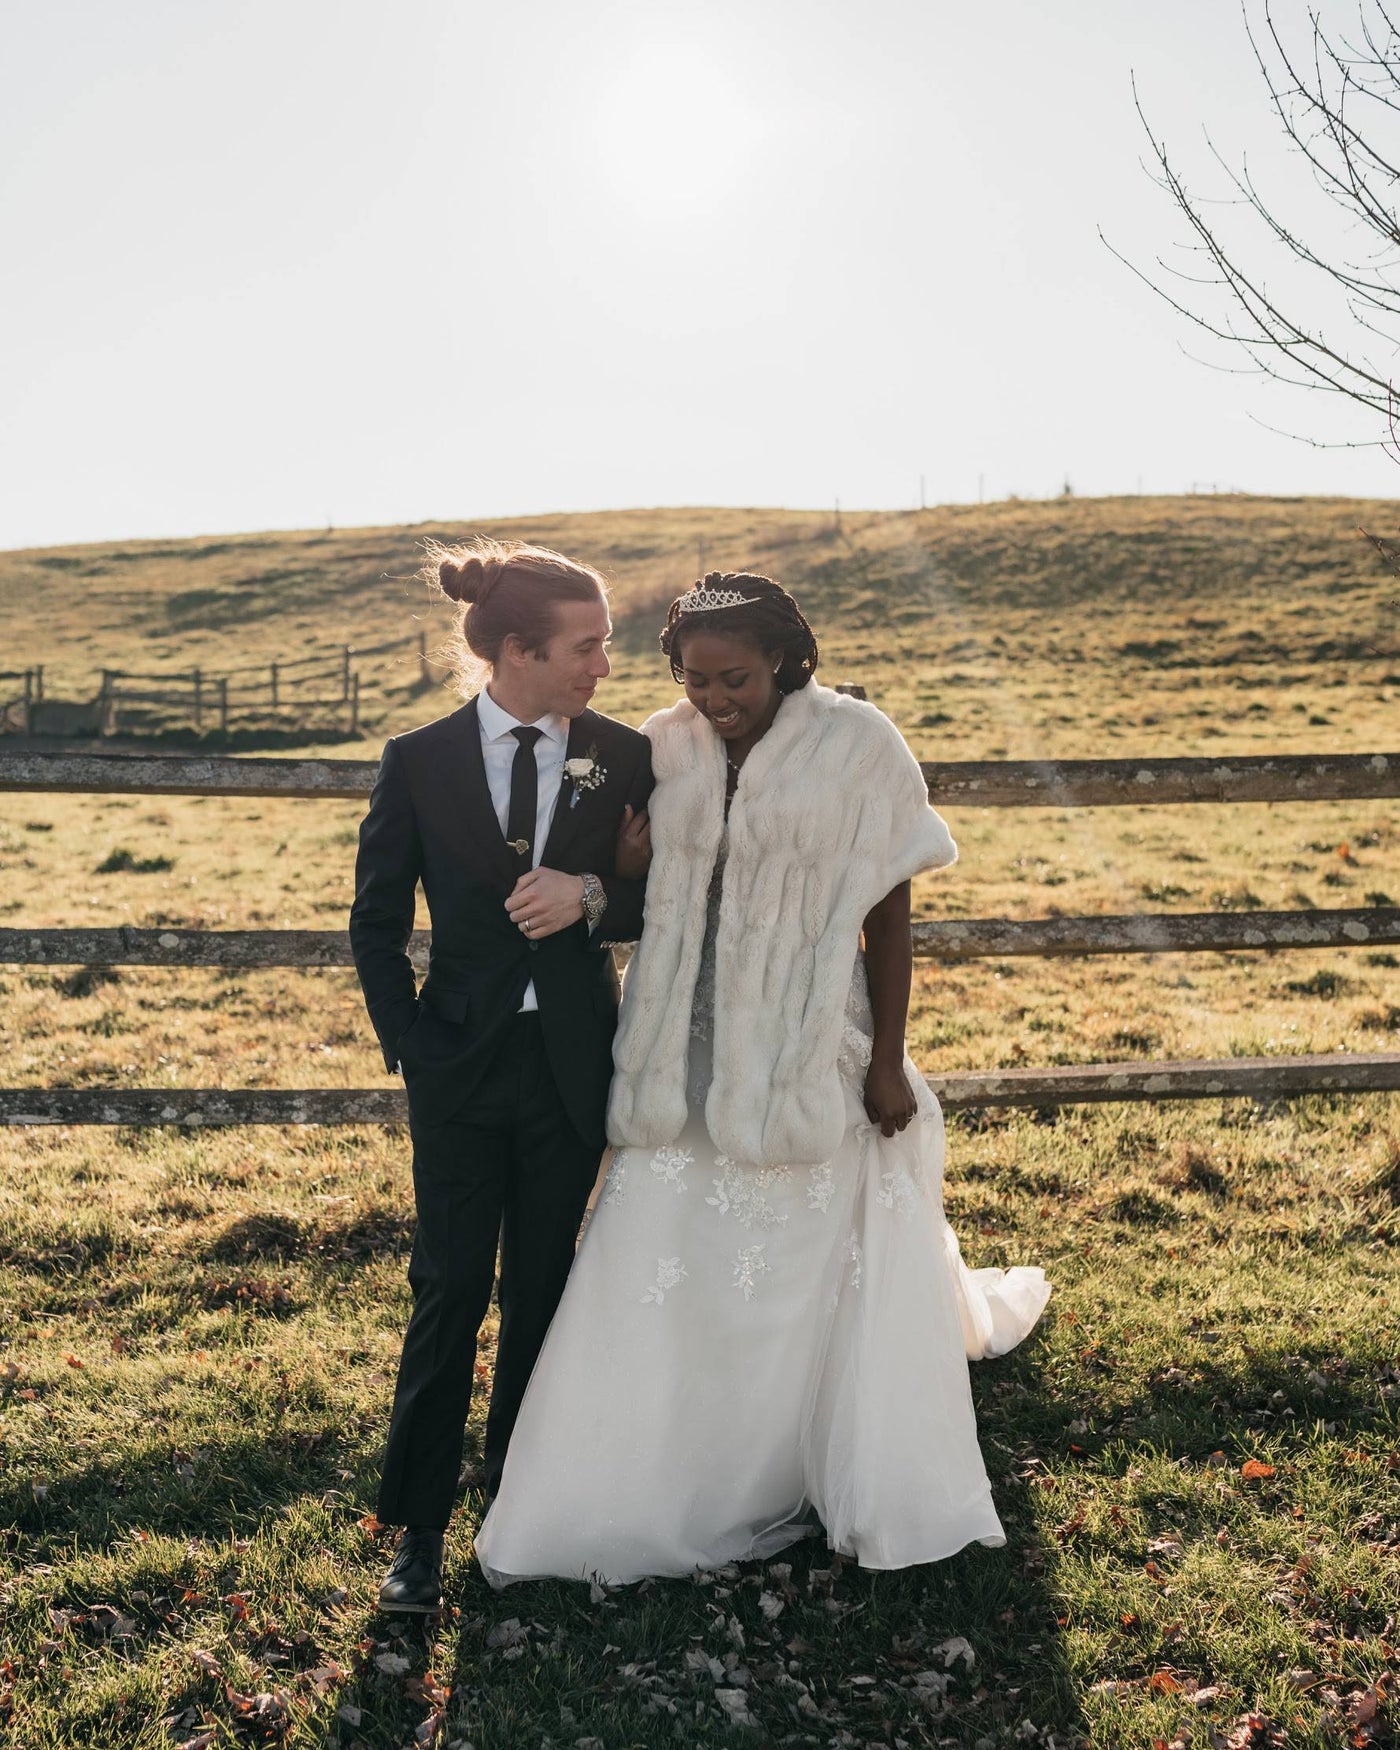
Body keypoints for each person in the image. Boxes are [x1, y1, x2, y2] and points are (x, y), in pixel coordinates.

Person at [474, 571, 1050, 1585]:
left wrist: (881, 1063)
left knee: (806, 1247)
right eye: (693, 680)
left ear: (784, 658)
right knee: (651, 1238)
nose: (712, 699)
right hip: (681, 1052)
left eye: (732, 678)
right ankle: (638, 1473)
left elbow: (890, 916)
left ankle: (791, 1449)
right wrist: (628, 863)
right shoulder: (663, 741)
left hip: (803, 1042)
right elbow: (646, 892)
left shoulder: (859, 743)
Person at [349, 537, 652, 1613]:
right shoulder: (418, 760)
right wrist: (413, 1046)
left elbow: (658, 900)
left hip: (573, 1064)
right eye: (586, 646)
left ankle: (519, 1509)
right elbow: (375, 921)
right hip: (460, 1069)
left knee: (541, 1290)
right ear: (517, 650)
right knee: (447, 1288)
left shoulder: (621, 755)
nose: (602, 667)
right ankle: (418, 1531)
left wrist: (590, 896)